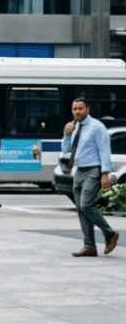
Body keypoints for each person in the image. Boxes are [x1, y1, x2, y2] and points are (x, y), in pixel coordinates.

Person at [64, 98, 119, 256]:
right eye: (74, 109)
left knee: (86, 204)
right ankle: (89, 246)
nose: (77, 112)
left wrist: (105, 174)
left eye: (80, 109)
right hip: (79, 170)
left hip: (93, 170)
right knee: (81, 209)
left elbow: (104, 150)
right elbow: (66, 149)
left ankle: (109, 233)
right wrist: (67, 135)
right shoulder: (72, 126)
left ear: (87, 109)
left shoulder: (97, 127)